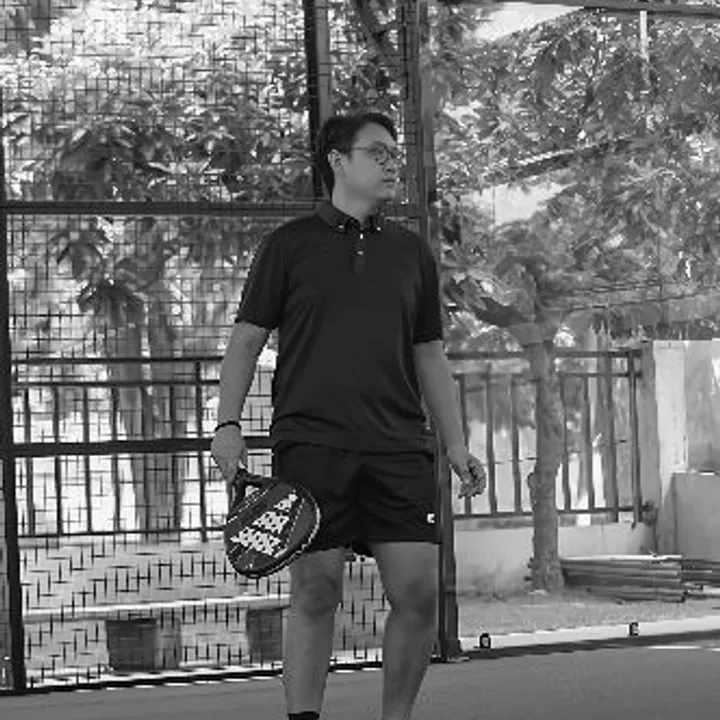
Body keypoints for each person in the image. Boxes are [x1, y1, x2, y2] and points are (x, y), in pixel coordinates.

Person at [211, 111, 486, 720]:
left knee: (418, 594)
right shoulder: (287, 246)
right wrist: (227, 425)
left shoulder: (411, 252)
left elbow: (430, 354)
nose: (392, 164)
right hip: (312, 446)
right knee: (316, 591)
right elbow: (246, 339)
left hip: (399, 448)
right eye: (377, 152)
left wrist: (455, 443)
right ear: (338, 160)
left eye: (395, 154)